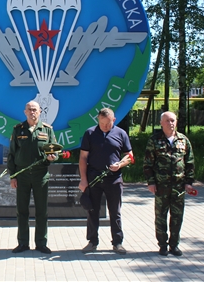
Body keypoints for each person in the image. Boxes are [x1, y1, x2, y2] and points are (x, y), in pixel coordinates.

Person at [78, 108, 134, 255]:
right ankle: (92, 241)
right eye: (101, 123)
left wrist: (120, 164)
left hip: (114, 179)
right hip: (94, 178)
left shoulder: (121, 133)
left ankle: (117, 242)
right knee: (92, 211)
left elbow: (130, 155)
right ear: (98, 120)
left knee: (115, 211)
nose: (104, 126)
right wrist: (83, 180)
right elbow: (83, 157)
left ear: (113, 120)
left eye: (107, 124)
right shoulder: (90, 133)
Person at [7, 100, 57, 254]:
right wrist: (12, 176)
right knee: (22, 211)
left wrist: (53, 157)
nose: (32, 112)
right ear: (25, 112)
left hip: (40, 175)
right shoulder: (18, 130)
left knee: (42, 210)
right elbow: (12, 154)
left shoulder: (47, 130)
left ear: (40, 111)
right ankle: (23, 243)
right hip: (21, 176)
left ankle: (41, 243)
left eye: (35, 109)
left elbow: (54, 151)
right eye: (29, 109)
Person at [143, 111, 195, 257]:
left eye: (173, 120)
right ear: (161, 123)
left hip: (179, 187)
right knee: (161, 217)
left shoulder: (183, 140)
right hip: (161, 186)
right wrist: (151, 182)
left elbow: (190, 163)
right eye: (167, 121)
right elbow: (148, 164)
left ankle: (174, 245)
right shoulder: (154, 140)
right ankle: (162, 245)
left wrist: (189, 182)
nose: (170, 123)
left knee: (177, 217)